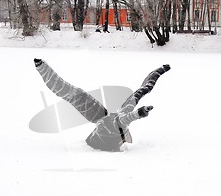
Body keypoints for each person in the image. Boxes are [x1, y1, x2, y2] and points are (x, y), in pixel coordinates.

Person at [34, 59, 171, 152]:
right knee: (139, 94)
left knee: (77, 95)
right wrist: (159, 71)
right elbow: (142, 91)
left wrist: (139, 113)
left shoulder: (112, 120)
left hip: (104, 141)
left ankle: (44, 70)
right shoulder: (116, 118)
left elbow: (124, 119)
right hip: (106, 139)